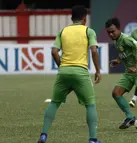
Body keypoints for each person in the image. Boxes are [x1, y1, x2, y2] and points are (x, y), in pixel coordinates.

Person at [37, 5, 102, 143]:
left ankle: (43, 135)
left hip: (63, 72)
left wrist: (62, 66)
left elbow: (54, 51)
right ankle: (93, 139)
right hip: (81, 72)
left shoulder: (63, 31)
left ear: (71, 18)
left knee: (54, 103)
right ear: (85, 18)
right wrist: (98, 70)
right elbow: (94, 51)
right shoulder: (88, 31)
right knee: (90, 105)